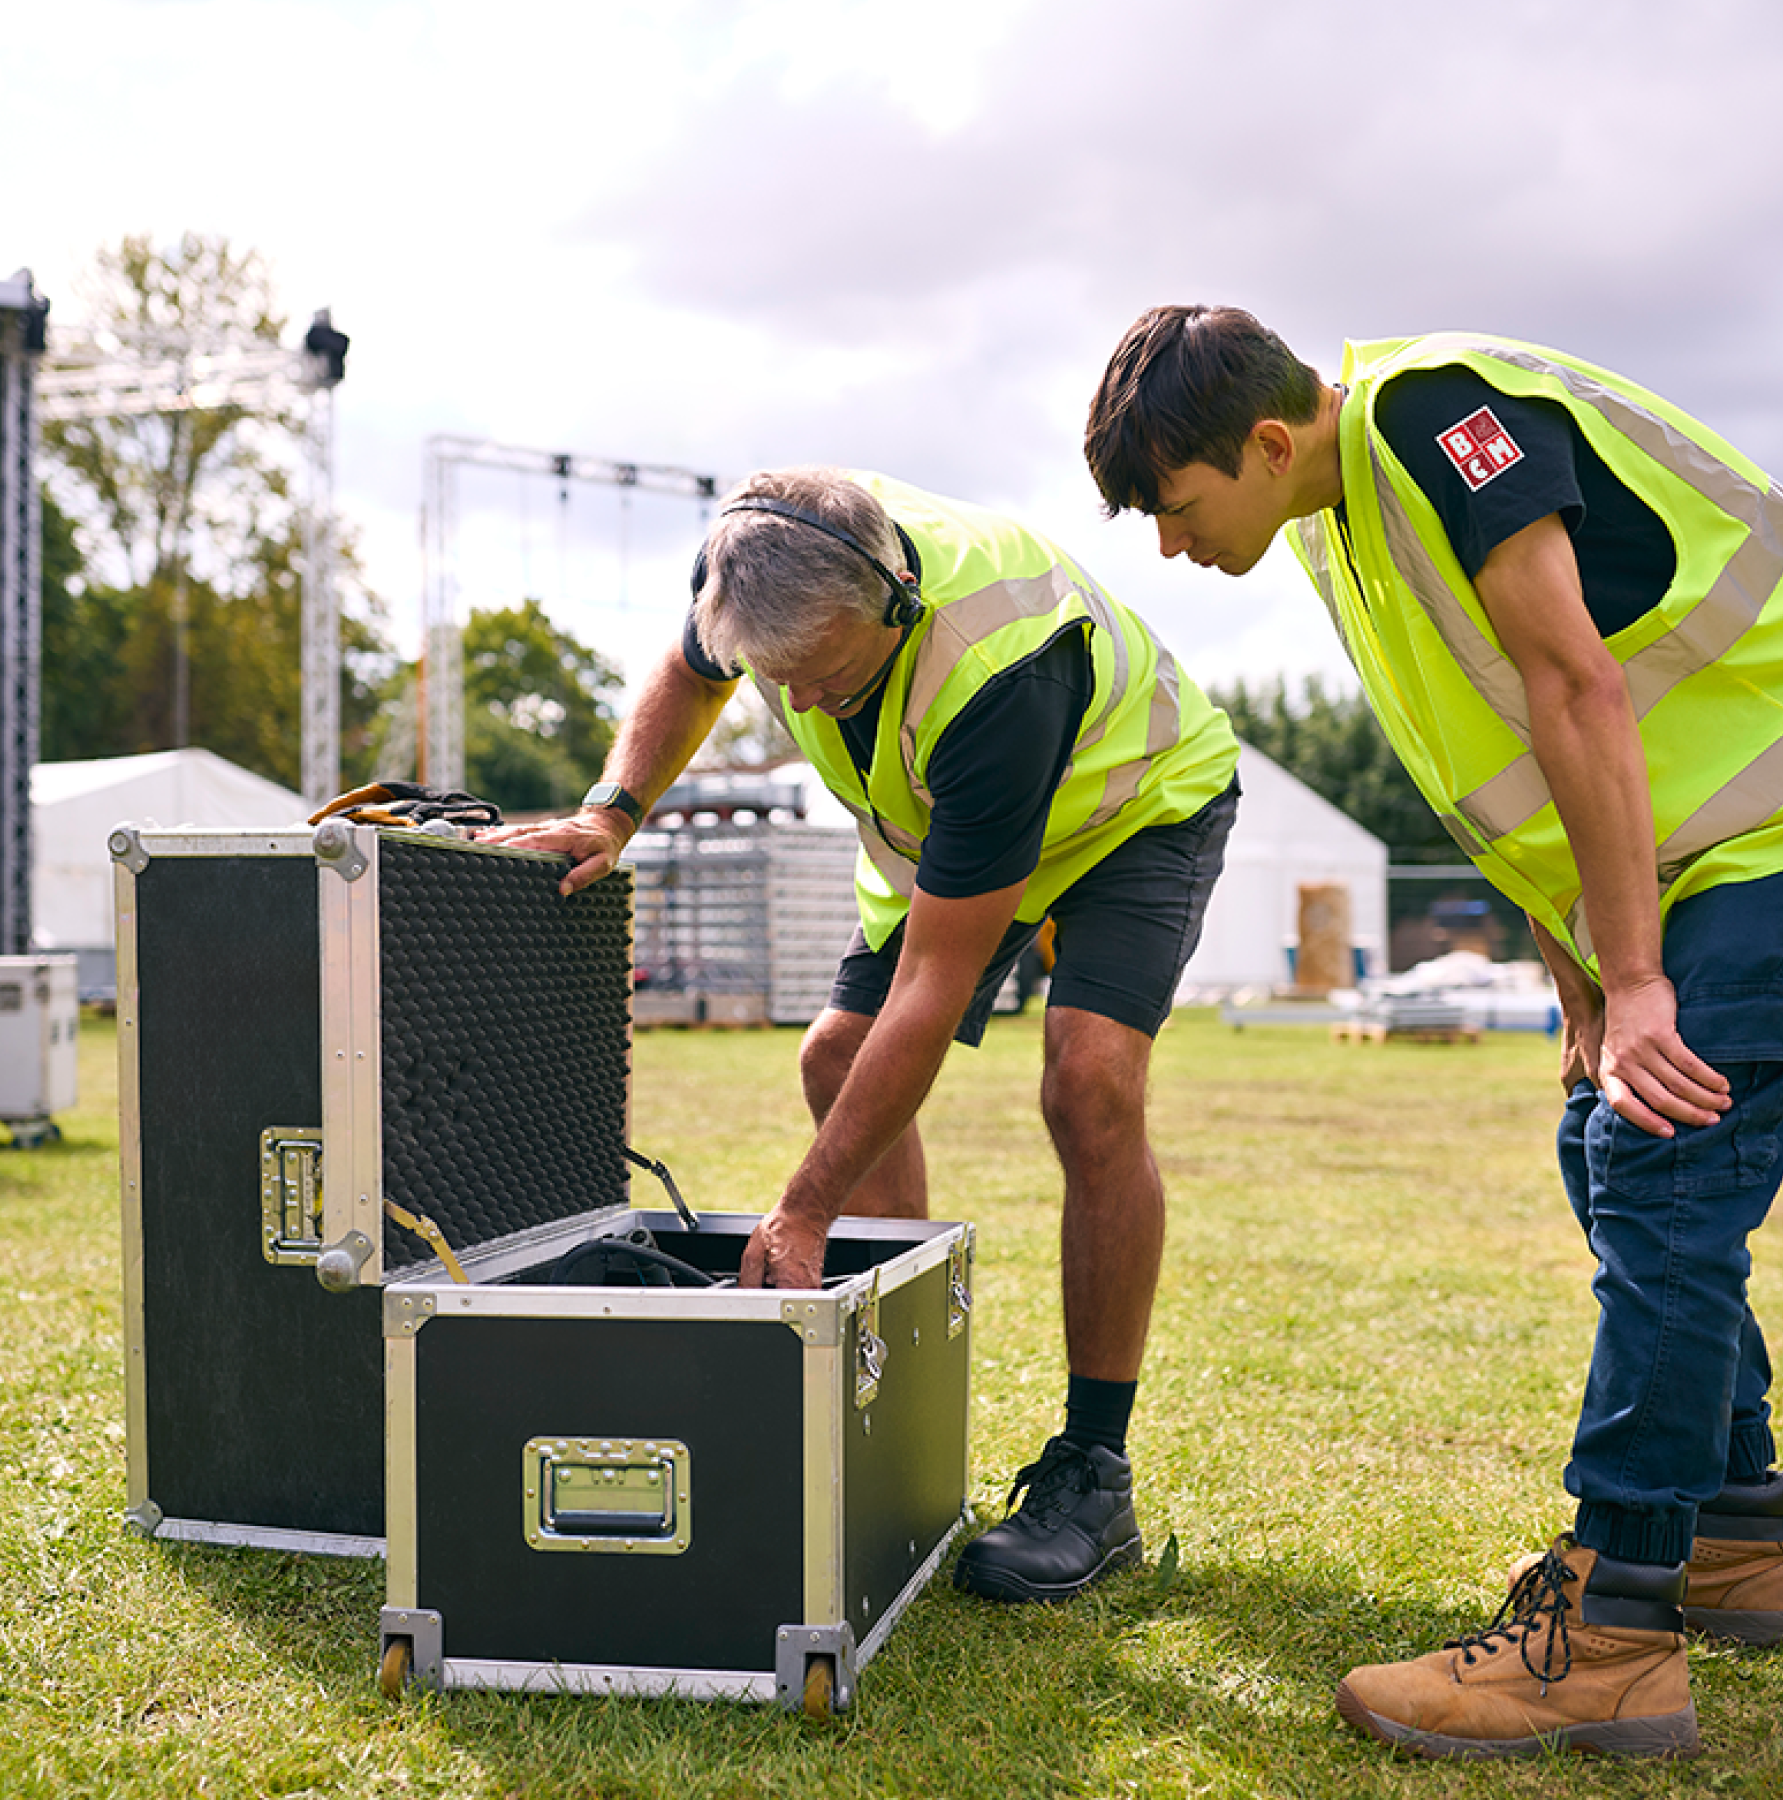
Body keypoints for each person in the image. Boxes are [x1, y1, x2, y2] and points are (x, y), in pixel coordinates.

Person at [1085, 306, 1783, 1759]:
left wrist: (1643, 975)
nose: (1167, 545)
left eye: (1174, 505)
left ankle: (1611, 1631)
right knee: (1600, 1134)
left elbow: (1576, 684)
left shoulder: (1433, 414)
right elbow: (1494, 760)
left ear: (1269, 444)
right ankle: (1735, 1529)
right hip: (1707, 854)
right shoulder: (1334, 523)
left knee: (1656, 1153)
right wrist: (1583, 981)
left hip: (1771, 830)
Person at [482, 466, 1241, 1604]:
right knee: (835, 1055)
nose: (818, 706)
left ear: (895, 599)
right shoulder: (748, 566)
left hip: (1130, 804)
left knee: (1089, 1083)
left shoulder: (999, 671)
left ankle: (1095, 1472)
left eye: (835, 677)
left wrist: (807, 1207)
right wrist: (613, 809)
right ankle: (909, 1427)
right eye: (787, 684)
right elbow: (692, 679)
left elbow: (934, 990)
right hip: (938, 825)